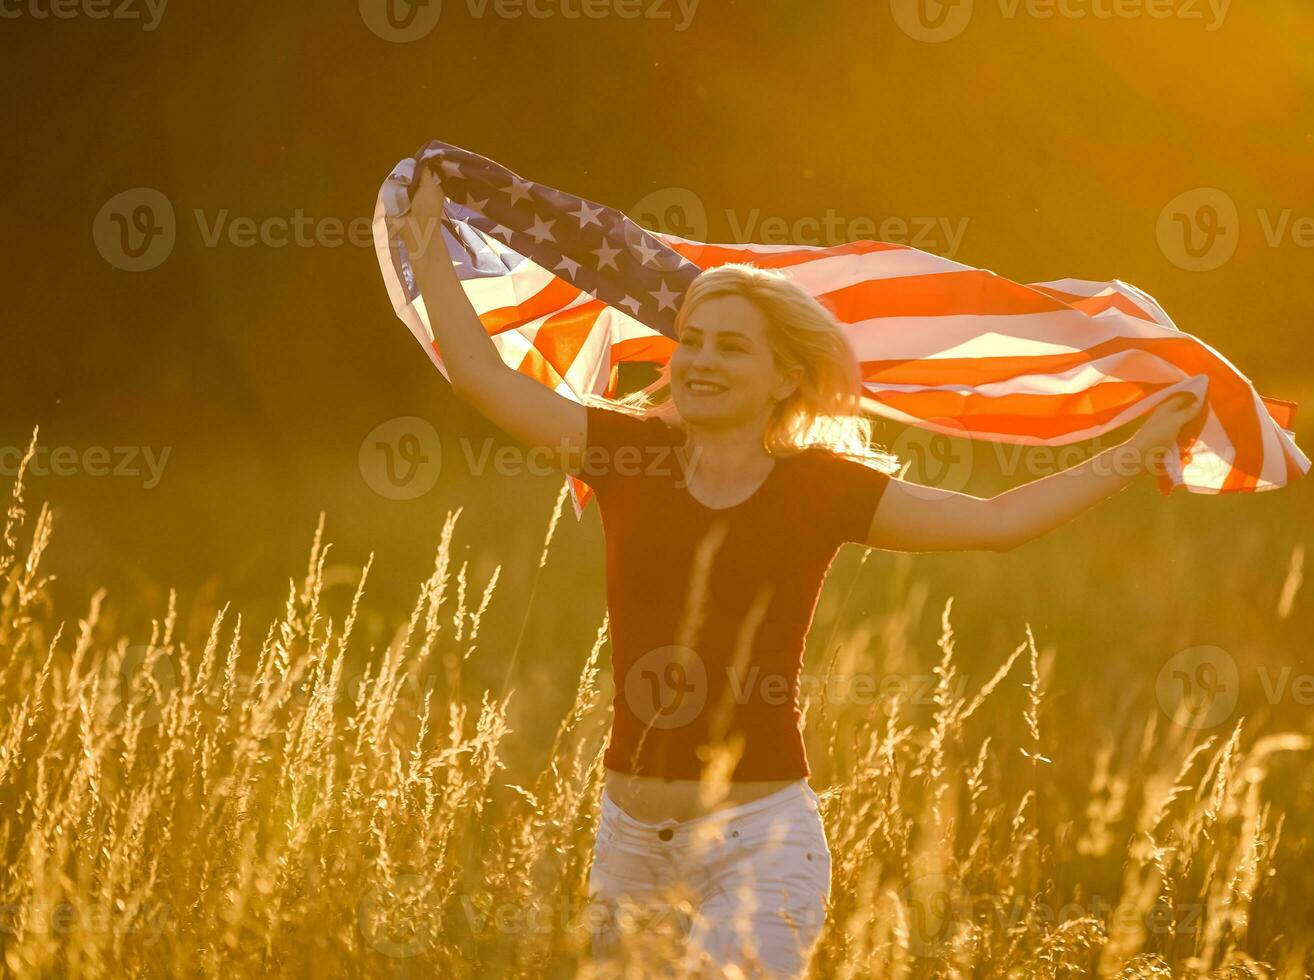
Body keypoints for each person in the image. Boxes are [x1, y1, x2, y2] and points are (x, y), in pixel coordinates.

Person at [399, 168, 1204, 978]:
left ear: (785, 377)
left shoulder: (819, 490)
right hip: (627, 850)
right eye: (694, 342)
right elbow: (480, 375)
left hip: (758, 848)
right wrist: (427, 236)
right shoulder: (624, 454)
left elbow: (1000, 525)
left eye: (732, 346)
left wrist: (1137, 450)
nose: (702, 361)